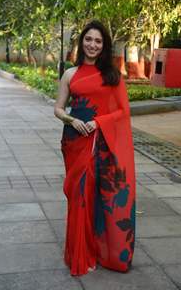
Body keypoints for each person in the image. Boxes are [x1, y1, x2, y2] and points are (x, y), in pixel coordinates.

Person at [54, 20, 136, 276]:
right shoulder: (70, 74)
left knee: (103, 199)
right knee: (79, 197)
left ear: (104, 45)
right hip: (75, 141)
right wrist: (72, 120)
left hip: (103, 144)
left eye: (98, 41)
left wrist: (97, 122)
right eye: (88, 39)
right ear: (82, 42)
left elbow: (123, 111)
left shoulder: (112, 75)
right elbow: (57, 109)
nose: (92, 45)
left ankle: (103, 251)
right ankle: (81, 252)